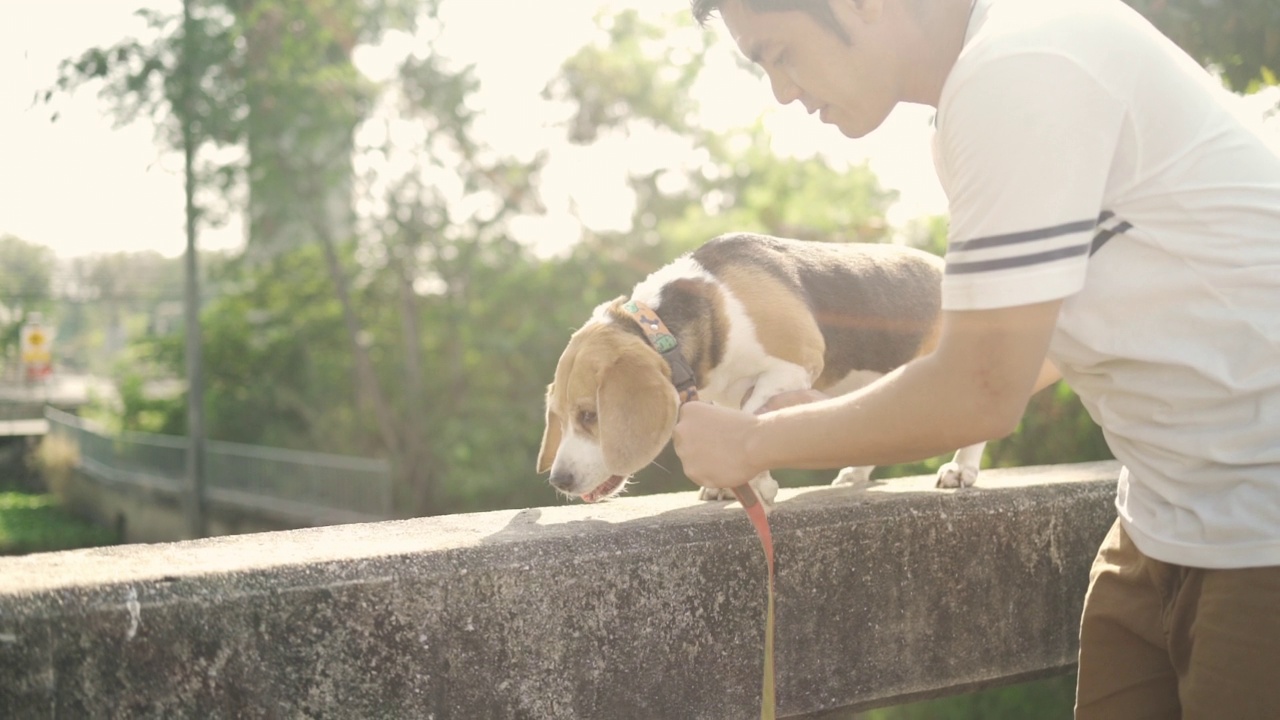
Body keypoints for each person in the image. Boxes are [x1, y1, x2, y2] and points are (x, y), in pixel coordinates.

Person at [673, 0, 1280, 717]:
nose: (781, 89)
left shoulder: (1024, 63)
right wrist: (832, 414)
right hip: (1159, 521)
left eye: (780, 53)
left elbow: (981, 390)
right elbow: (1026, 350)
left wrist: (750, 442)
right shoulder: (987, 87)